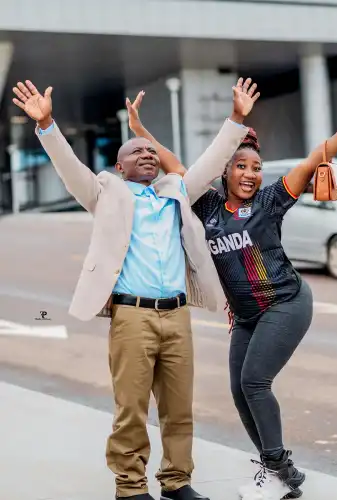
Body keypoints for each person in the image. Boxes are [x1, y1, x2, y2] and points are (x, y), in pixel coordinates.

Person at [11, 78, 260, 500]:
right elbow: (69, 166)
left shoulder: (176, 190)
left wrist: (236, 118)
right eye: (135, 152)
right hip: (132, 316)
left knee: (179, 409)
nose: (146, 155)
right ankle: (129, 486)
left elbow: (212, 159)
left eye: (150, 152)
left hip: (177, 315)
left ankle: (177, 482)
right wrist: (48, 124)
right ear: (119, 167)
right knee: (131, 410)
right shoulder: (104, 192)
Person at [129, 83, 337, 500]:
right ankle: (276, 471)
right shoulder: (206, 206)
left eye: (256, 167)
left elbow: (315, 158)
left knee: (255, 381)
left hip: (286, 303)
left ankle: (278, 469)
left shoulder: (272, 200)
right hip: (245, 314)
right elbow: (175, 165)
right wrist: (140, 130)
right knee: (240, 391)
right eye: (241, 166)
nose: (250, 173)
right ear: (226, 170)